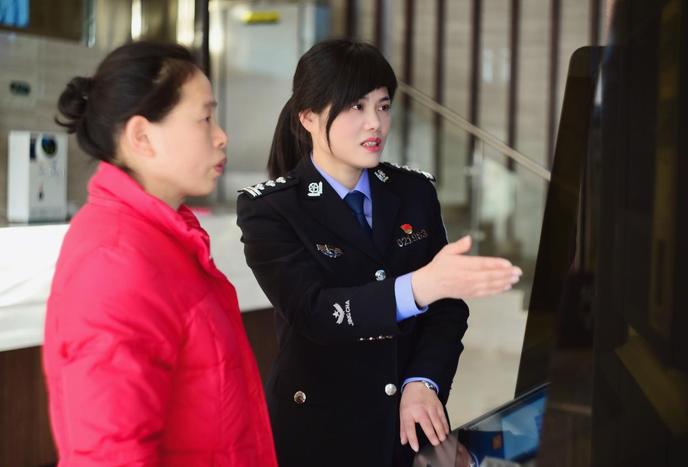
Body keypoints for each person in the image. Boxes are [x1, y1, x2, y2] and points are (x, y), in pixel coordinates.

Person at [236, 39, 522, 467]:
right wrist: (417, 287)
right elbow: (314, 312)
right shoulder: (271, 209)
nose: (376, 124)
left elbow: (446, 310)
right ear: (308, 117)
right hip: (319, 437)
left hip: (409, 431)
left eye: (383, 106)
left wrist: (422, 381)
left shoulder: (414, 192)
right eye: (356, 107)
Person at [43, 41, 277, 466]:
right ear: (142, 137)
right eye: (205, 118)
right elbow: (112, 454)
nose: (221, 136)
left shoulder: (164, 238)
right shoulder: (115, 261)